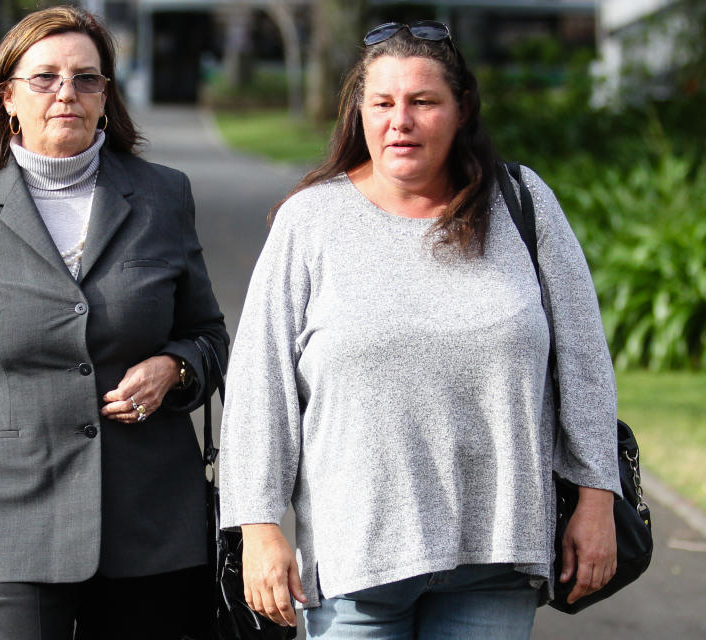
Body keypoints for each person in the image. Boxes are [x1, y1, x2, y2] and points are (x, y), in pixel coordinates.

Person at [219, 20, 619, 639]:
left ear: (460, 111)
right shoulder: (310, 221)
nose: (399, 120)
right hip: (357, 559)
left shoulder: (523, 204)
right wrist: (258, 527)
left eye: (422, 102)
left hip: (497, 552)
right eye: (382, 103)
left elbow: (585, 361)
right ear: (360, 114)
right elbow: (259, 385)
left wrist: (596, 499)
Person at [0, 7, 228, 639]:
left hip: (149, 513)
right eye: (45, 78)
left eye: (86, 79)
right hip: (15, 513)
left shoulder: (164, 196)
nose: (67, 92)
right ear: (7, 97)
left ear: (106, 97)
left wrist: (174, 367)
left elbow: (210, 336)